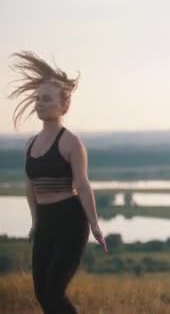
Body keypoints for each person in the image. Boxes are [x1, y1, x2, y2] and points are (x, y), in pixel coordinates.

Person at [9, 51, 108, 314]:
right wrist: (35, 222)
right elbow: (30, 188)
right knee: (41, 292)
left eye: (47, 99)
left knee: (53, 291)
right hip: (46, 220)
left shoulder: (71, 142)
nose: (40, 104)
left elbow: (83, 185)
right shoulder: (30, 144)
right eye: (38, 99)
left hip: (70, 219)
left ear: (63, 106)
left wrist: (95, 224)